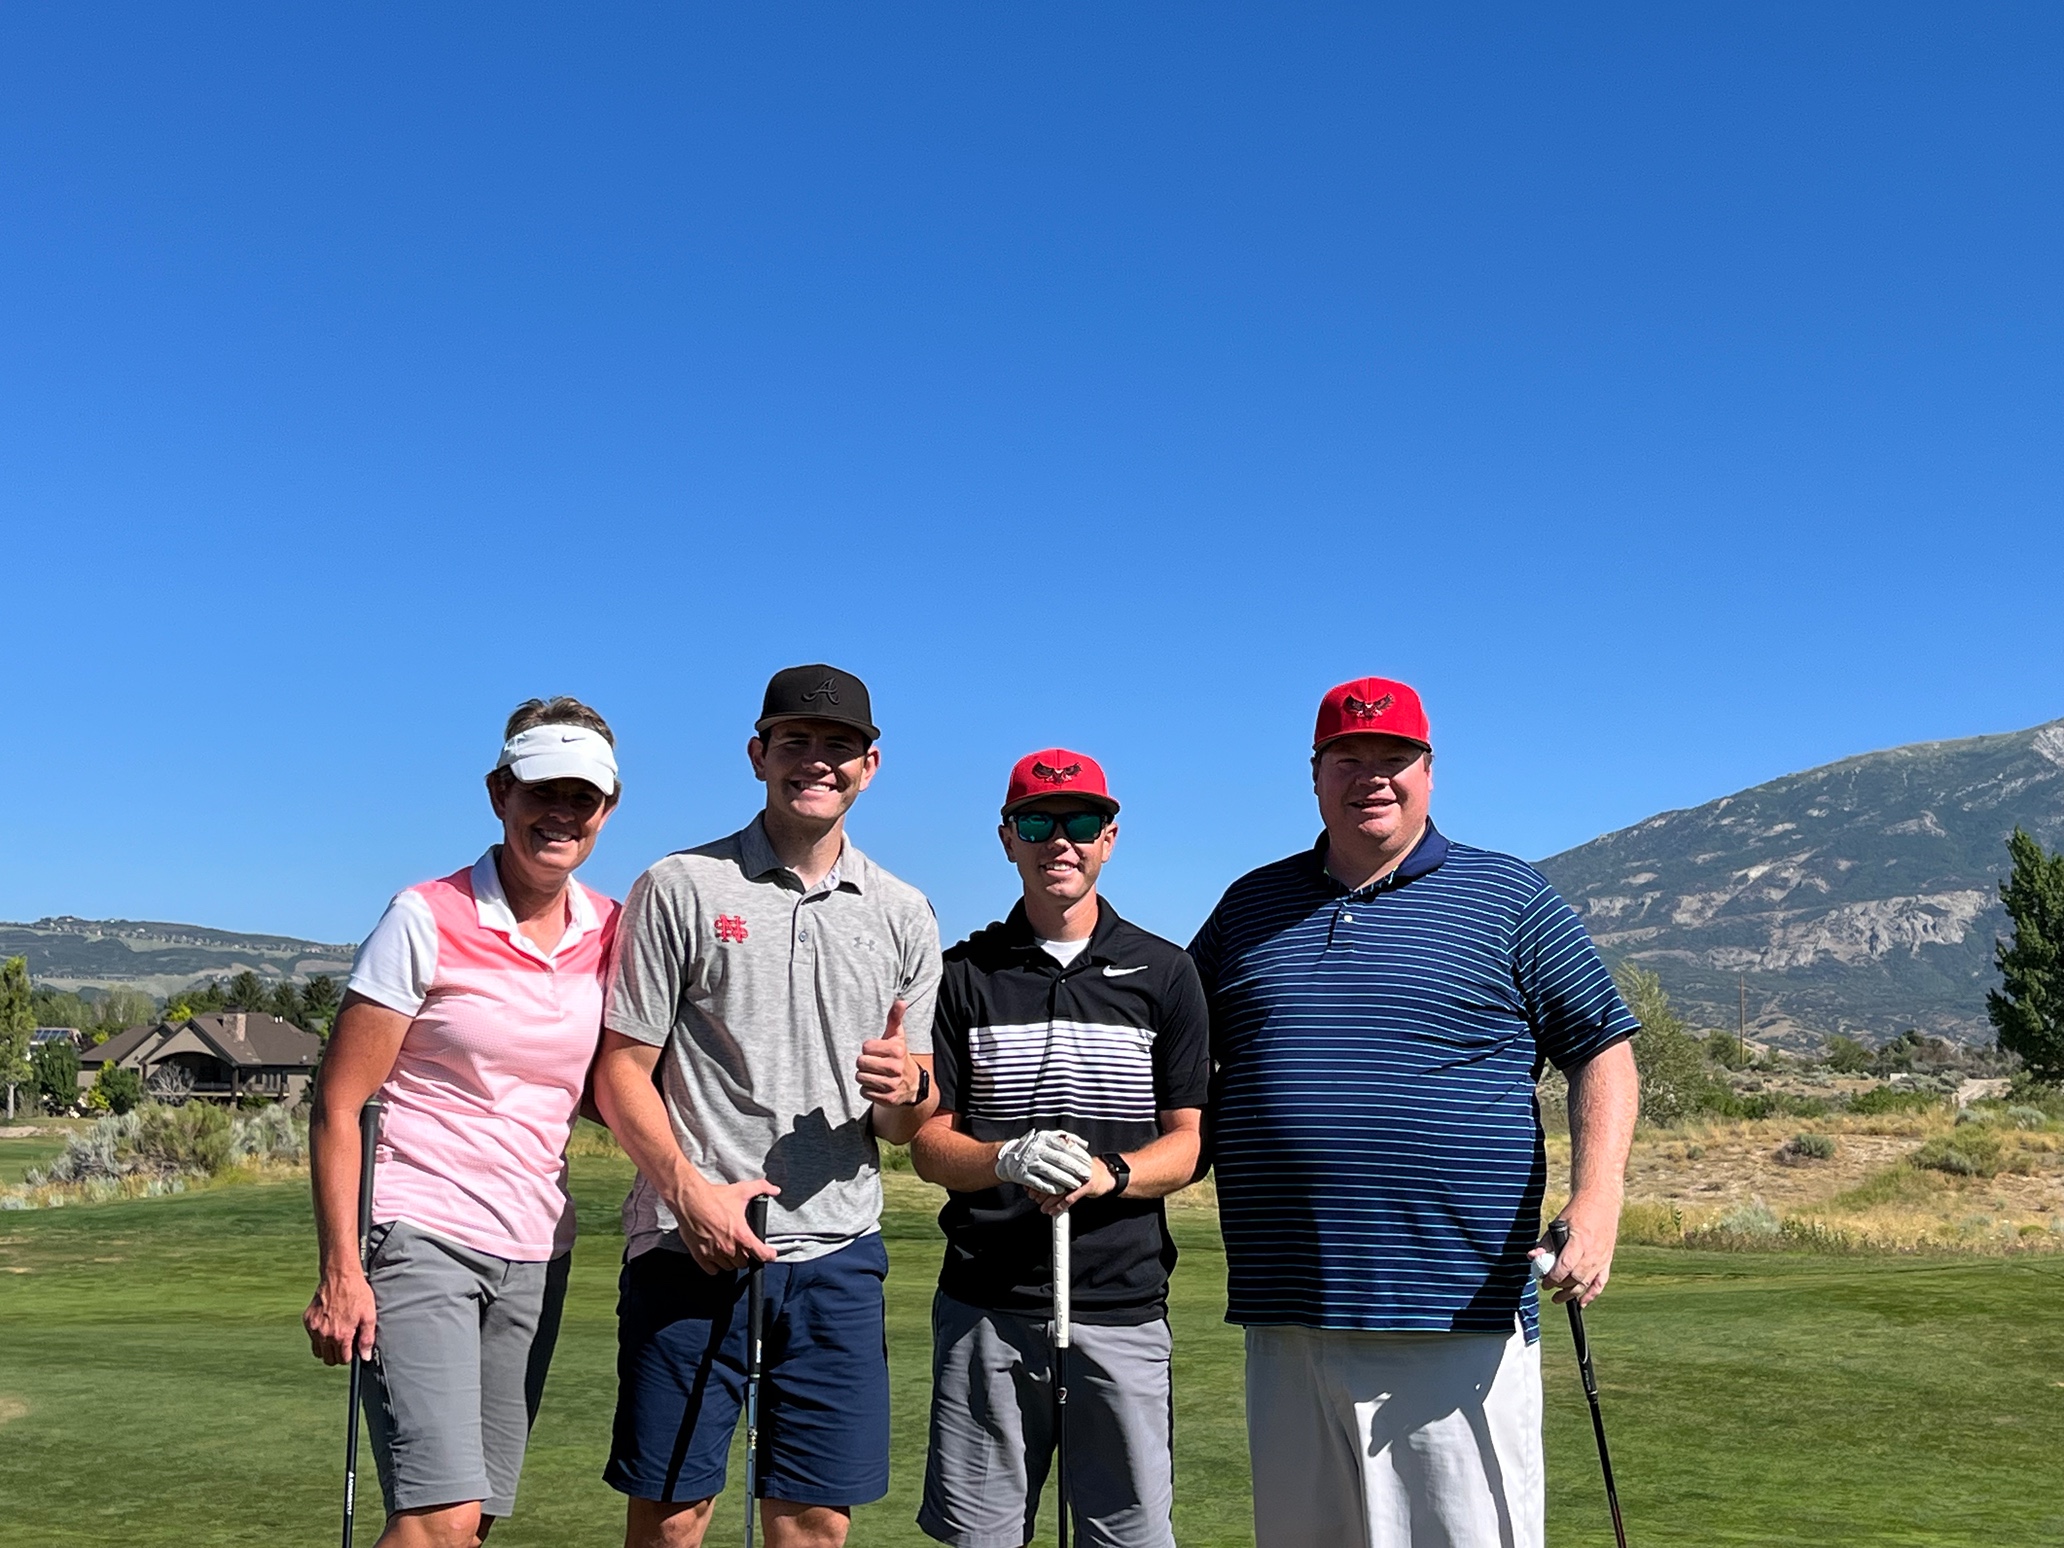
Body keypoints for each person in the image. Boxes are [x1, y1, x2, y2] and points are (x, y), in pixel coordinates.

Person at [1187, 676, 1641, 1548]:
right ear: (1314, 775)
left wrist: (1598, 1200)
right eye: (1347, 758)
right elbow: (1174, 1049)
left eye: (1393, 758)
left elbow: (1603, 1049)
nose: (1372, 777)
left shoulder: (1508, 896)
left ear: (1429, 771)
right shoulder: (1249, 906)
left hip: (1455, 1312)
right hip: (1288, 1311)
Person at [593, 663, 943, 1548]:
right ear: (758, 755)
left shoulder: (905, 912)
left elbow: (904, 1122)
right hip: (687, 1245)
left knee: (815, 1523)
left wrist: (906, 1093)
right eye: (795, 741)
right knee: (673, 1519)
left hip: (837, 1254)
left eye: (839, 746)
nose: (817, 760)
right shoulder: (680, 885)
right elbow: (621, 1070)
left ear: (869, 766)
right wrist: (688, 1194)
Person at [303, 696, 625, 1548]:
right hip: (421, 1232)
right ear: (499, 794)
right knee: (437, 1517)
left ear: (608, 809)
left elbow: (610, 1087)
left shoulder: (611, 930)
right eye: (542, 791)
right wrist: (341, 1269)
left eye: (583, 797)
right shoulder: (425, 916)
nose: (562, 813)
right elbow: (339, 1103)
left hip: (538, 1248)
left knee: (472, 1521)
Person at [911, 748, 1210, 1548]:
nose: (1060, 841)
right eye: (1037, 823)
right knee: (981, 1537)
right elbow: (930, 1146)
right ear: (1007, 838)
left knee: (1125, 1537)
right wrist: (1004, 1159)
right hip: (986, 1304)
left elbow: (1188, 1144)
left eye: (1080, 821)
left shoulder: (1165, 972)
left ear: (1109, 837)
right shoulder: (961, 975)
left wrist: (1110, 1174)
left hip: (1121, 1304)